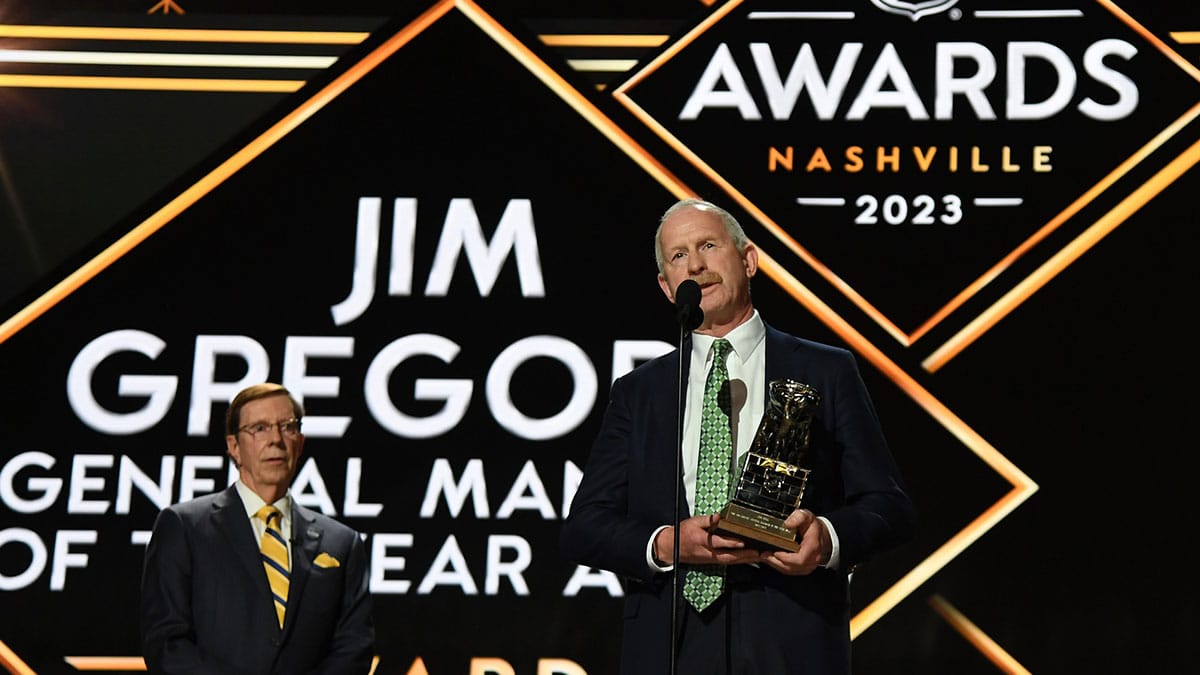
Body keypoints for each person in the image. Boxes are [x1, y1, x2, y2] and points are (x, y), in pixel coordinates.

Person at [560, 198, 916, 674]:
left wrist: (825, 540)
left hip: (791, 634)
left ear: (748, 260)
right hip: (670, 643)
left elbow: (889, 507)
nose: (697, 265)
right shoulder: (639, 393)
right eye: (679, 256)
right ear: (668, 287)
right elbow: (584, 526)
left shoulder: (826, 369)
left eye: (708, 245)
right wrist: (667, 543)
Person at [141, 383, 375, 674]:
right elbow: (166, 643)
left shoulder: (342, 543)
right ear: (234, 446)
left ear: (300, 443)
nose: (275, 439)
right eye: (260, 428)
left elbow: (354, 648)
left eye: (287, 427)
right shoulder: (185, 528)